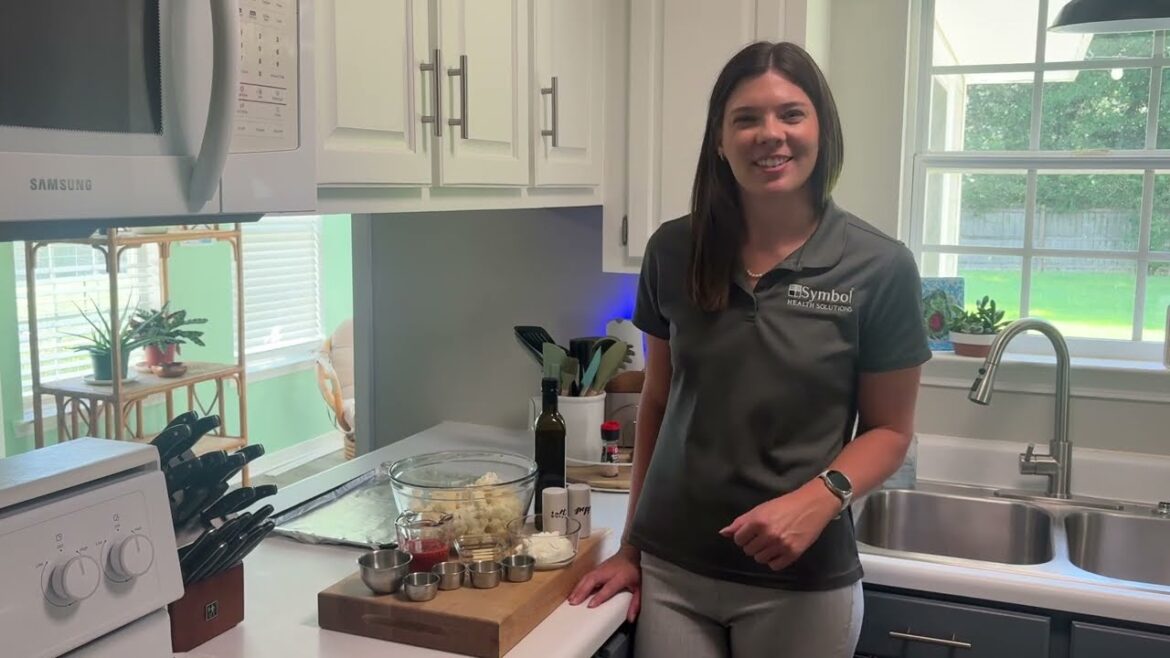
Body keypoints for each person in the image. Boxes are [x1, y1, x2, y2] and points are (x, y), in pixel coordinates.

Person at [567, 41, 931, 657]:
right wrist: (632, 547)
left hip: (803, 583)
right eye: (746, 118)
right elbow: (658, 402)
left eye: (792, 114)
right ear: (719, 138)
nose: (771, 134)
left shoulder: (880, 266)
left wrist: (822, 496)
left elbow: (891, 432)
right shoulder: (672, 251)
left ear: (822, 129)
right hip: (674, 572)